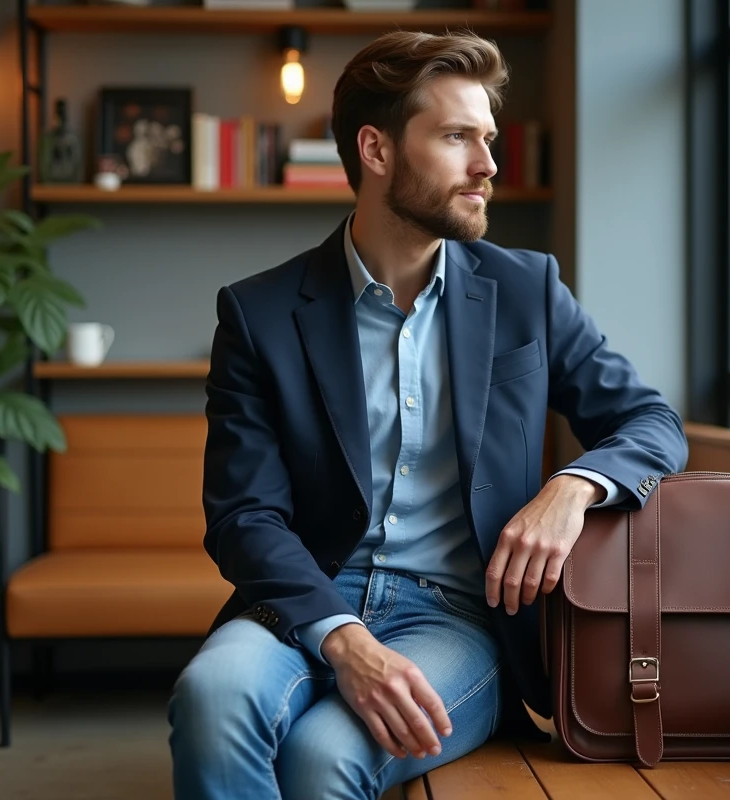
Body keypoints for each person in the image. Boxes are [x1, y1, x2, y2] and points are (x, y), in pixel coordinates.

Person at [167, 29, 687, 800]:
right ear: (376, 151)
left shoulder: (526, 291)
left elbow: (650, 422)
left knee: (323, 757)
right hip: (304, 603)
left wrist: (572, 487)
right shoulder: (260, 313)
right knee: (211, 698)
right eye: (456, 138)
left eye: (488, 139)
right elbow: (244, 515)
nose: (488, 166)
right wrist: (342, 639)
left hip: (457, 619)